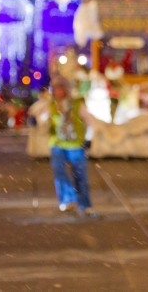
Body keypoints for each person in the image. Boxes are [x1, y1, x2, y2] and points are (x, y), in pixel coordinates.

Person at [43, 76, 97, 216]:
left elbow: (90, 121)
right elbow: (43, 116)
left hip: (75, 144)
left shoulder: (77, 104)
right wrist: (35, 120)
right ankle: (67, 200)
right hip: (57, 144)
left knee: (80, 175)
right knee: (59, 173)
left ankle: (84, 203)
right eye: (56, 89)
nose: (58, 92)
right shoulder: (52, 105)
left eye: (61, 88)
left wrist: (88, 139)